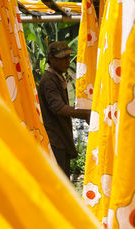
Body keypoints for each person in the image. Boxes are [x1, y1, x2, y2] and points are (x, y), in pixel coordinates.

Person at [37, 41, 91, 178]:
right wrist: (86, 113)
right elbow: (58, 108)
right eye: (62, 58)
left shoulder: (57, 77)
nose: (67, 61)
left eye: (68, 57)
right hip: (55, 140)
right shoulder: (49, 80)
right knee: (61, 181)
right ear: (51, 59)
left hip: (60, 139)